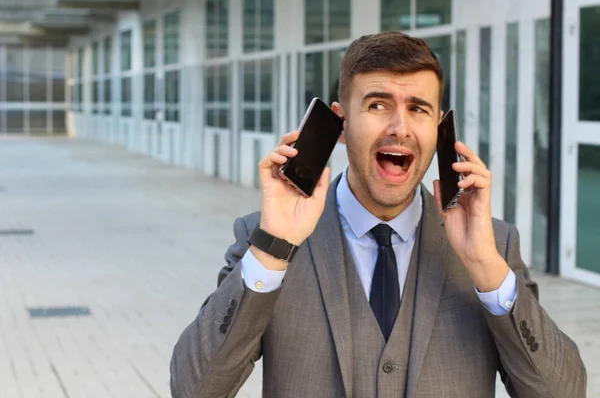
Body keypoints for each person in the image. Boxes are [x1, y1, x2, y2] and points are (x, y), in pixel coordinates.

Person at [170, 31, 586, 397]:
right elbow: (195, 389)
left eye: (418, 109)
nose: (399, 128)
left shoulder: (494, 246)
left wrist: (486, 267)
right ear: (341, 122)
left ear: (439, 129)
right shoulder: (268, 239)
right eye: (377, 105)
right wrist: (271, 251)